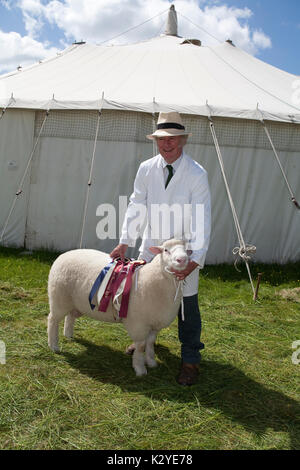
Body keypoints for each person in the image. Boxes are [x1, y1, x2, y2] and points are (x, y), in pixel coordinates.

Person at [110, 112, 211, 385]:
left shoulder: (196, 174)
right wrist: (125, 240)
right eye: (161, 140)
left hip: (182, 252)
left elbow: (202, 218)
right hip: (152, 249)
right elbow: (136, 204)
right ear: (156, 141)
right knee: (141, 298)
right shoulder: (146, 168)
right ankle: (142, 342)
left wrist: (196, 259)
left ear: (183, 140)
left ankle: (190, 360)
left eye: (172, 139)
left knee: (187, 306)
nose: (167, 145)